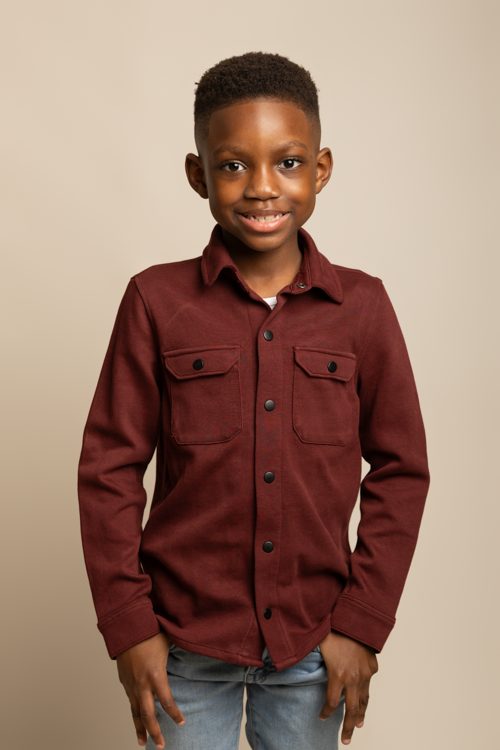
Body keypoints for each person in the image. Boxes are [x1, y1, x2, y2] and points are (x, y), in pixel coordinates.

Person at [77, 51, 431, 750]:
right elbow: (107, 471)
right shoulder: (155, 300)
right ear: (198, 174)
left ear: (320, 169)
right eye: (234, 165)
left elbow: (402, 470)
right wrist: (129, 628)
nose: (263, 187)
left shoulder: (363, 307)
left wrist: (362, 624)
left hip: (313, 645)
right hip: (180, 646)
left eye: (288, 163)